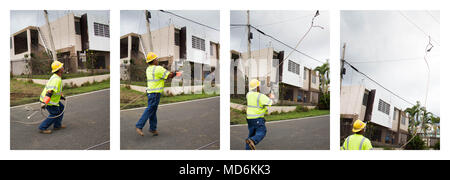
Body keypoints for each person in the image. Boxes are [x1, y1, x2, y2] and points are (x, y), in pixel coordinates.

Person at [135, 52, 181, 136]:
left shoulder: (148, 69)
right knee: (150, 109)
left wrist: (170, 73)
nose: (157, 60)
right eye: (156, 59)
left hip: (150, 93)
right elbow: (169, 76)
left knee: (153, 110)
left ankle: (153, 129)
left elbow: (162, 76)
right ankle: (139, 126)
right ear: (153, 60)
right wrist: (176, 73)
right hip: (155, 94)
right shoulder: (158, 69)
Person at [245, 79, 274, 150]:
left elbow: (257, 98)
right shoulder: (260, 96)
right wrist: (271, 97)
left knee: (251, 135)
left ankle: (248, 149)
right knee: (262, 131)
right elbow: (271, 102)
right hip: (257, 118)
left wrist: (265, 95)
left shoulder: (248, 94)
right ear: (257, 87)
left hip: (249, 119)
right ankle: (253, 140)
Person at [39, 60, 66, 134]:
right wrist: (45, 102)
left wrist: (60, 96)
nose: (63, 67)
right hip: (49, 101)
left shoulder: (56, 77)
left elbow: (55, 90)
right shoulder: (56, 79)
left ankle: (57, 125)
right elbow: (50, 91)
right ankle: (42, 127)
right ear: (59, 69)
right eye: (61, 66)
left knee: (61, 108)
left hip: (52, 100)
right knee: (55, 114)